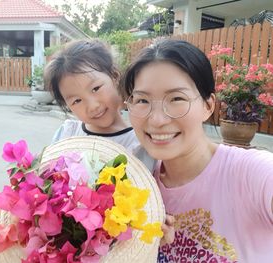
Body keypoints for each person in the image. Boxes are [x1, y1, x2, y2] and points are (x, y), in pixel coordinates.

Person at [120, 39, 273, 262]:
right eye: (142, 100)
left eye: (177, 99)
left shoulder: (252, 173)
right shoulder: (134, 183)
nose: (157, 119)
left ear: (208, 105)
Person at [44, 39, 154, 171]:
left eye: (96, 89)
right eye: (76, 101)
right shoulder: (68, 134)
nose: (92, 106)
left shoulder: (138, 144)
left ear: (114, 76)